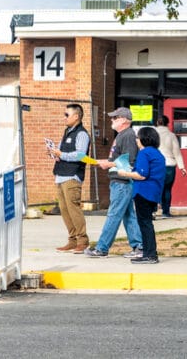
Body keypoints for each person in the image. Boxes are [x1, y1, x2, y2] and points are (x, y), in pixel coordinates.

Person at [85, 107, 143, 258]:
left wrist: (108, 164)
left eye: (115, 118)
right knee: (129, 215)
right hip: (120, 182)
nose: (112, 120)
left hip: (122, 182)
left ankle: (102, 248)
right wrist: (103, 162)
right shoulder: (123, 135)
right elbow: (118, 160)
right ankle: (138, 247)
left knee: (113, 215)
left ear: (124, 120)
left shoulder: (128, 135)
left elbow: (129, 161)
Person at [114, 126, 167, 264]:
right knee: (147, 223)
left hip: (143, 192)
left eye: (138, 137)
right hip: (153, 193)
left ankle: (150, 254)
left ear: (144, 138)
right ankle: (150, 252)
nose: (136, 140)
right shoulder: (157, 153)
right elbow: (145, 171)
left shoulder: (144, 153)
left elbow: (141, 175)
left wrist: (124, 173)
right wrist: (131, 169)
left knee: (144, 224)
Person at [50, 103, 90, 253]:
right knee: (64, 210)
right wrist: (55, 153)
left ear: (76, 116)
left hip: (72, 176)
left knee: (74, 209)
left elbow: (80, 155)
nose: (64, 117)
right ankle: (72, 240)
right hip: (61, 175)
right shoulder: (67, 131)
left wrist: (62, 155)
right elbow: (61, 151)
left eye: (67, 115)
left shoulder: (82, 134)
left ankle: (82, 241)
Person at [154, 115, 186, 218]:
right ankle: (165, 212)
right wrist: (182, 167)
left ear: (157, 123)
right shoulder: (171, 135)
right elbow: (176, 152)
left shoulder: (152, 134)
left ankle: (152, 211)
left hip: (155, 165)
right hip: (169, 165)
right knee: (167, 189)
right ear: (167, 123)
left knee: (154, 188)